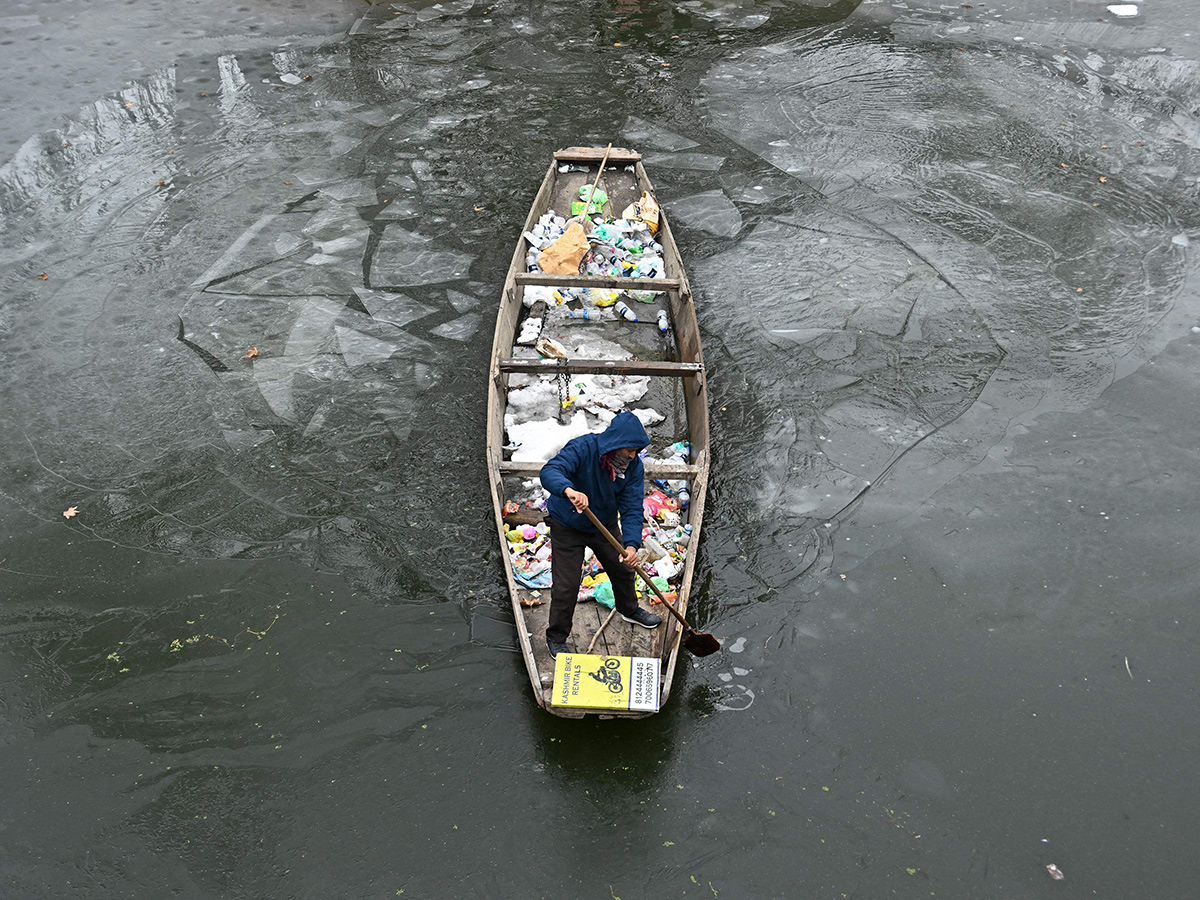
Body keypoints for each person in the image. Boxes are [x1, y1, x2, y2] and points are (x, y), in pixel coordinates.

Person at [539, 411, 662, 659]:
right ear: (616, 443)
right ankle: (556, 637)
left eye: (637, 451)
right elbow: (550, 470)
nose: (633, 455)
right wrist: (569, 490)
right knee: (566, 586)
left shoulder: (633, 466)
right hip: (567, 525)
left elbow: (631, 507)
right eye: (630, 449)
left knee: (624, 570)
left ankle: (629, 609)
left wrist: (630, 545)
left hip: (602, 525)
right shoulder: (583, 448)